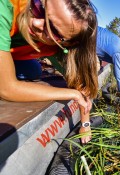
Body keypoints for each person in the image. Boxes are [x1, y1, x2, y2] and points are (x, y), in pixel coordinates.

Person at [0, 0, 98, 143]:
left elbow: (83, 86)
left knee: (34, 70)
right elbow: (7, 89)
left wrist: (85, 124)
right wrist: (72, 94)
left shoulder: (58, 45)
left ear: (67, 44)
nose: (36, 23)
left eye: (53, 30)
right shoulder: (5, 7)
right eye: (40, 7)